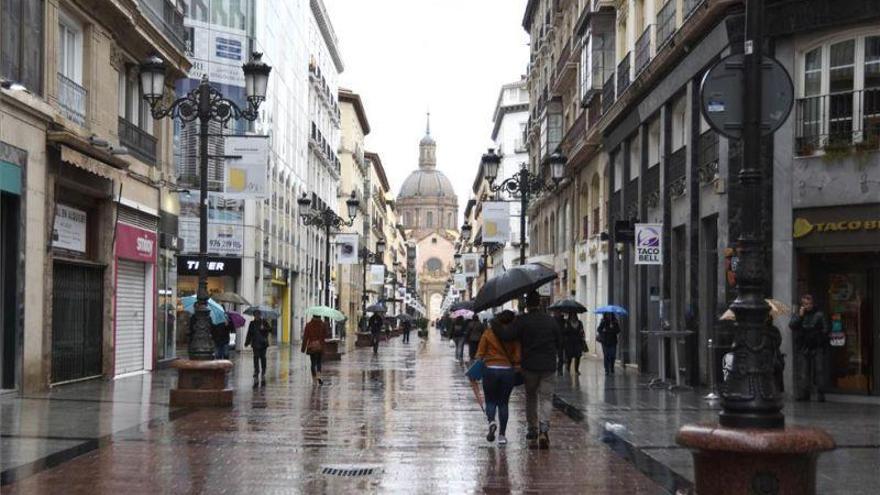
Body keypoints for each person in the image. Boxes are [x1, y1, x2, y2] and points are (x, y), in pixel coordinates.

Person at [513, 291, 561, 449]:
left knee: (531, 397)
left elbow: (510, 335)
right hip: (548, 365)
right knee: (546, 398)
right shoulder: (551, 320)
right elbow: (559, 341)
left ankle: (532, 429)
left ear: (527, 304)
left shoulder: (522, 321)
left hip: (529, 366)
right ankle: (544, 430)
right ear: (540, 303)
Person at [476, 310, 520, 446]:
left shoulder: (488, 333)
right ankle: (502, 435)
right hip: (507, 371)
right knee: (503, 403)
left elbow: (480, 353)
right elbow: (517, 356)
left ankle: (491, 422)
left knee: (490, 401)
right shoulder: (514, 334)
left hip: (490, 369)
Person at [789, 294, 828, 402]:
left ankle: (820, 393)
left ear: (812, 303)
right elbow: (792, 325)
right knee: (803, 371)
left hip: (816, 345)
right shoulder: (799, 314)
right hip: (804, 346)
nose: (807, 306)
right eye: (805, 304)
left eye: (809, 303)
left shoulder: (819, 314)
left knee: (819, 370)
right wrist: (800, 316)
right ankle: (804, 393)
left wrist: (818, 336)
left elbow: (826, 329)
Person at [245, 310, 271, 384]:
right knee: (256, 357)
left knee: (263, 357)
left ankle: (263, 371)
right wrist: (247, 342)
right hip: (255, 344)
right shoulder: (252, 323)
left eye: (258, 314)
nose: (256, 316)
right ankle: (256, 372)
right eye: (255, 315)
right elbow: (249, 333)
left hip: (263, 344)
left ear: (260, 315)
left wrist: (264, 329)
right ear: (254, 315)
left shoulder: (264, 322)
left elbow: (270, 330)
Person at [301, 315, 328, 385]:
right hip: (320, 346)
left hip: (312, 347)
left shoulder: (308, 325)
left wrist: (303, 349)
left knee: (313, 363)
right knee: (319, 362)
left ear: (312, 316)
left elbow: (305, 337)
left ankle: (314, 380)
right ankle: (319, 376)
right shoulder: (323, 325)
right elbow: (326, 335)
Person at [553, 311, 566, 376]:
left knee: (560, 355)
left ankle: (559, 369)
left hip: (560, 340)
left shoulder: (563, 321)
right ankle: (556, 368)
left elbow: (565, 330)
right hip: (554, 340)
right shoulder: (552, 320)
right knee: (554, 355)